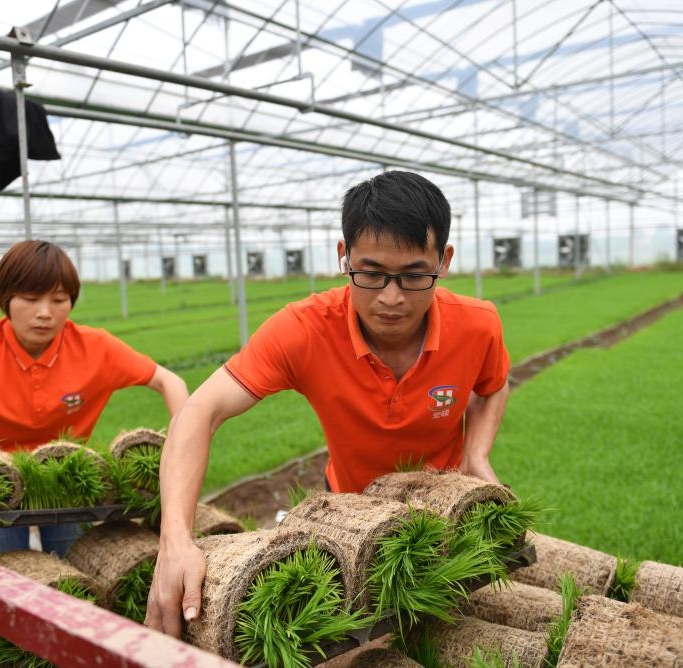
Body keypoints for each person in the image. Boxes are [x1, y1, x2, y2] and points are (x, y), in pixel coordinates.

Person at [145, 170, 511, 637]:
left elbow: (493, 385)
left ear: (444, 262)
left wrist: (476, 454)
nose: (392, 297)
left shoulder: (478, 325)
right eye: (372, 273)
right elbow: (200, 411)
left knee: (449, 635)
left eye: (415, 275)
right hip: (349, 517)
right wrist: (175, 539)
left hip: (443, 512)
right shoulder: (304, 330)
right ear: (343, 258)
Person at [0, 239, 188, 558]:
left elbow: (167, 380)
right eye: (31, 298)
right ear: (6, 299)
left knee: (76, 570)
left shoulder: (95, 349)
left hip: (65, 476)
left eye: (59, 300)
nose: (45, 313)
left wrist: (183, 442)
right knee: (1, 573)